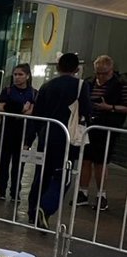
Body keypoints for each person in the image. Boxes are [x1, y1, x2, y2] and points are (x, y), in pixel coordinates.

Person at [26, 52, 93, 227]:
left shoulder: (47, 86)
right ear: (77, 69)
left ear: (58, 67)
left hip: (46, 135)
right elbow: (86, 111)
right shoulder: (81, 86)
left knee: (42, 173)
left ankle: (32, 210)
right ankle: (46, 207)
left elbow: (37, 114)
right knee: (63, 175)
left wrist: (29, 139)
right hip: (67, 139)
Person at [77, 54, 127, 210]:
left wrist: (110, 108)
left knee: (101, 162)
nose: (101, 76)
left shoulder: (120, 85)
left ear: (111, 70)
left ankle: (101, 195)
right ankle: (82, 192)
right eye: (98, 72)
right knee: (85, 160)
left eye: (104, 73)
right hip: (89, 126)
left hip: (107, 127)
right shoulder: (89, 83)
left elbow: (126, 107)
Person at [0, 64, 35, 203]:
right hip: (6, 133)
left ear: (27, 76)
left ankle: (15, 193)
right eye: (15, 74)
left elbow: (31, 112)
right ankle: (1, 191)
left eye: (20, 74)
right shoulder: (6, 91)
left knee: (19, 166)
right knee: (4, 164)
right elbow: (2, 108)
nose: (17, 77)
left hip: (23, 134)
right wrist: (21, 110)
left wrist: (13, 109)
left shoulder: (33, 93)